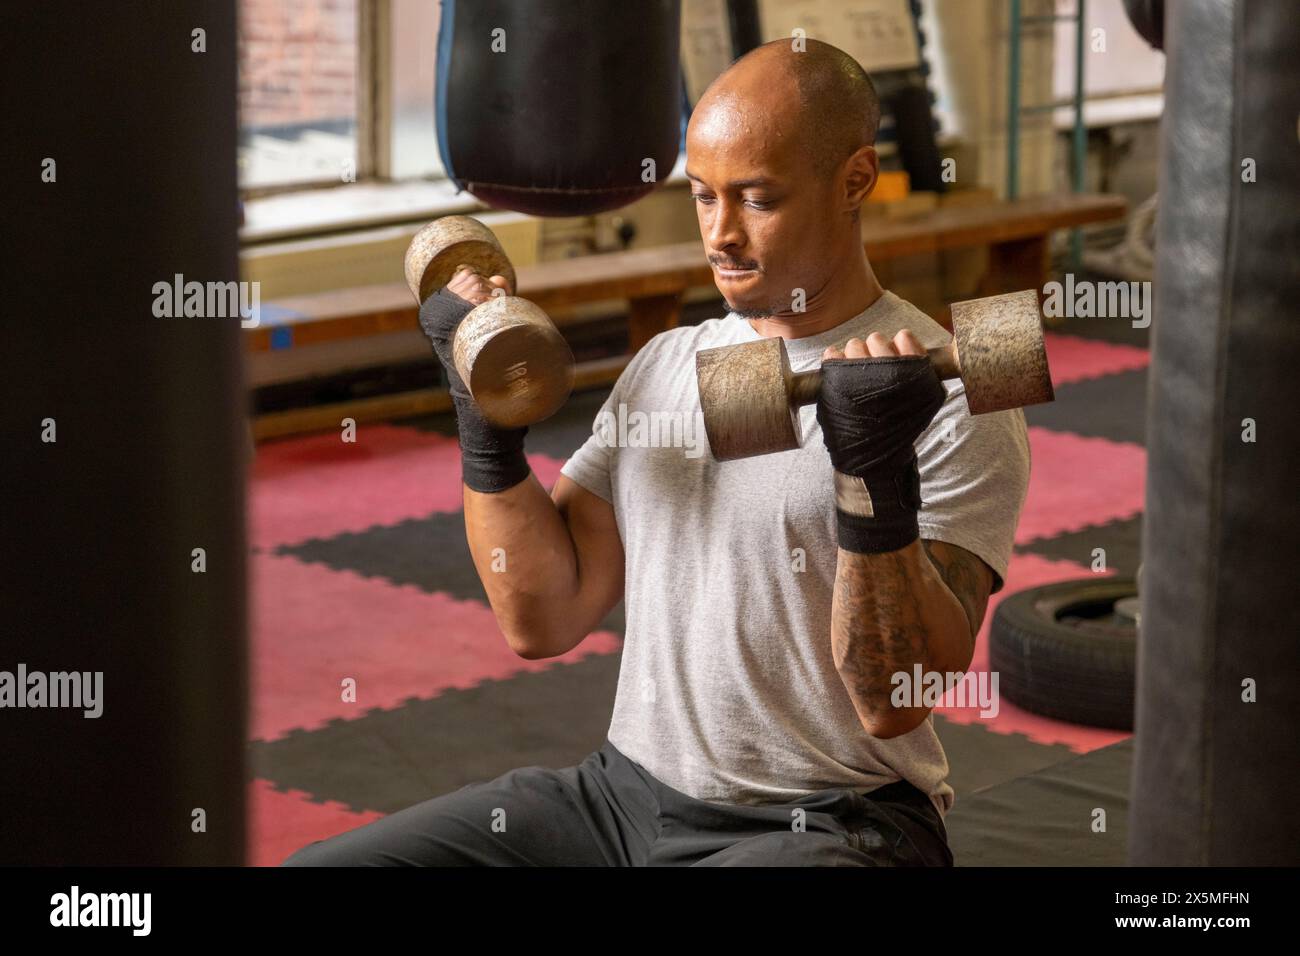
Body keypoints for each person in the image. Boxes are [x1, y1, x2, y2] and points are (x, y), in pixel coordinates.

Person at [283, 37, 1029, 867]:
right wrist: (483, 420)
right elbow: (543, 616)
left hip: (835, 821)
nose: (722, 235)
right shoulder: (667, 366)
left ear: (854, 180)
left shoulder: (954, 394)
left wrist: (871, 475)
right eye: (704, 197)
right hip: (622, 802)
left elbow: (896, 701)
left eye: (757, 199)